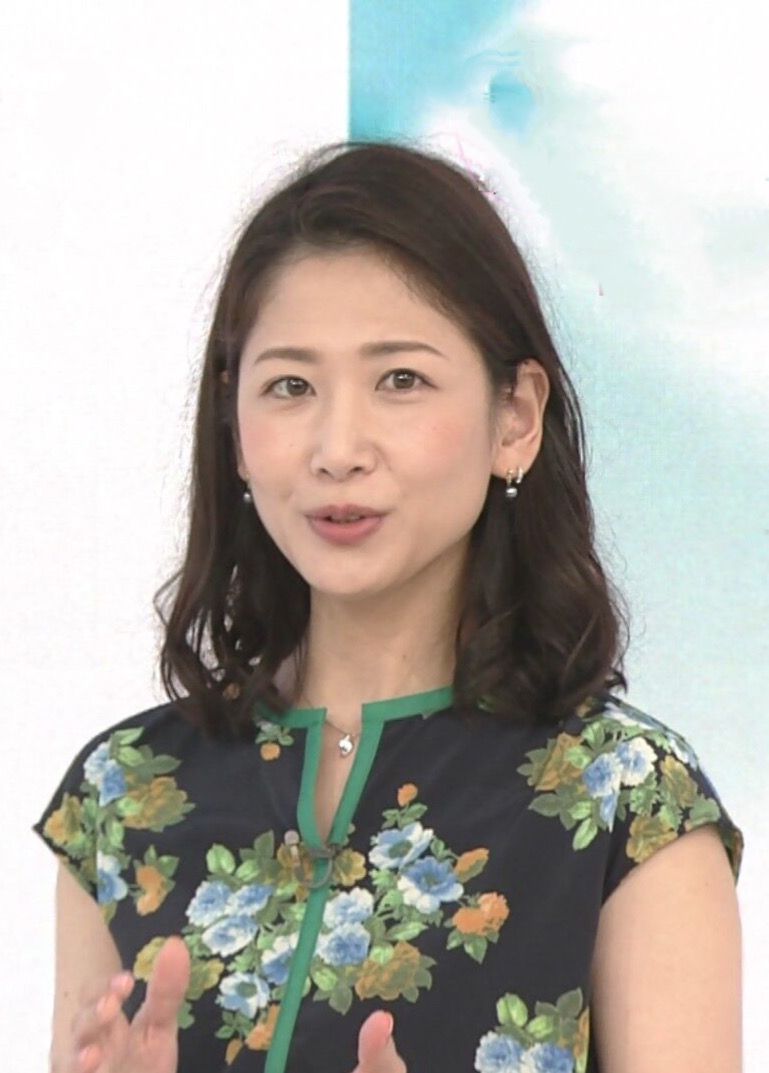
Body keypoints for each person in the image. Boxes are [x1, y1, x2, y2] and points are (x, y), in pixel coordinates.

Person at [34, 139, 744, 1073]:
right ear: (235, 429)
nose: (337, 447)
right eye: (290, 386)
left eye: (399, 380)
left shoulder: (629, 801)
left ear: (514, 418)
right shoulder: (124, 794)